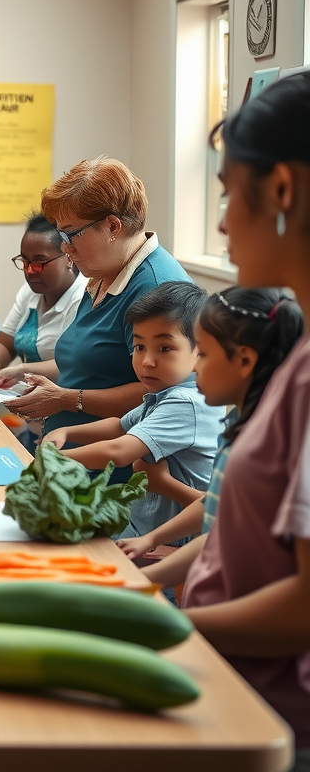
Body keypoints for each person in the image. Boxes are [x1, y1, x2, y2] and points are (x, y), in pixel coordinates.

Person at [178, 73, 310, 765]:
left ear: (283, 190)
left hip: (278, 723)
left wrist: (163, 625)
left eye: (229, 193)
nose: (223, 221)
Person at [117, 287, 303, 583]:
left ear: (244, 361)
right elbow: (217, 515)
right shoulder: (235, 426)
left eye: (202, 353)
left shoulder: (264, 447)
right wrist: (150, 549)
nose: (194, 365)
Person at [2, 158, 191, 442]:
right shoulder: (103, 274)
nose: (65, 247)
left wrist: (67, 399)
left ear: (113, 227)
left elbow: (161, 392)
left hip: (114, 470)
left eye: (70, 234)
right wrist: (24, 371)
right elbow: (91, 362)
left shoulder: (156, 287)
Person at [41, 282, 225, 541]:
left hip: (170, 538)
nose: (147, 361)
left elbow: (119, 451)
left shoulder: (187, 402)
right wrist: (67, 430)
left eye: (164, 348)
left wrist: (56, 460)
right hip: (141, 524)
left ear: (200, 352)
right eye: (139, 347)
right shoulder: (165, 393)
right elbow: (120, 426)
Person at [0, 212, 87, 385]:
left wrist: (21, 371)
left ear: (69, 257)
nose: (30, 271)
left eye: (40, 263)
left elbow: (74, 365)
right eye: (25, 262)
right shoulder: (29, 293)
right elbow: (4, 344)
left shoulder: (85, 299)